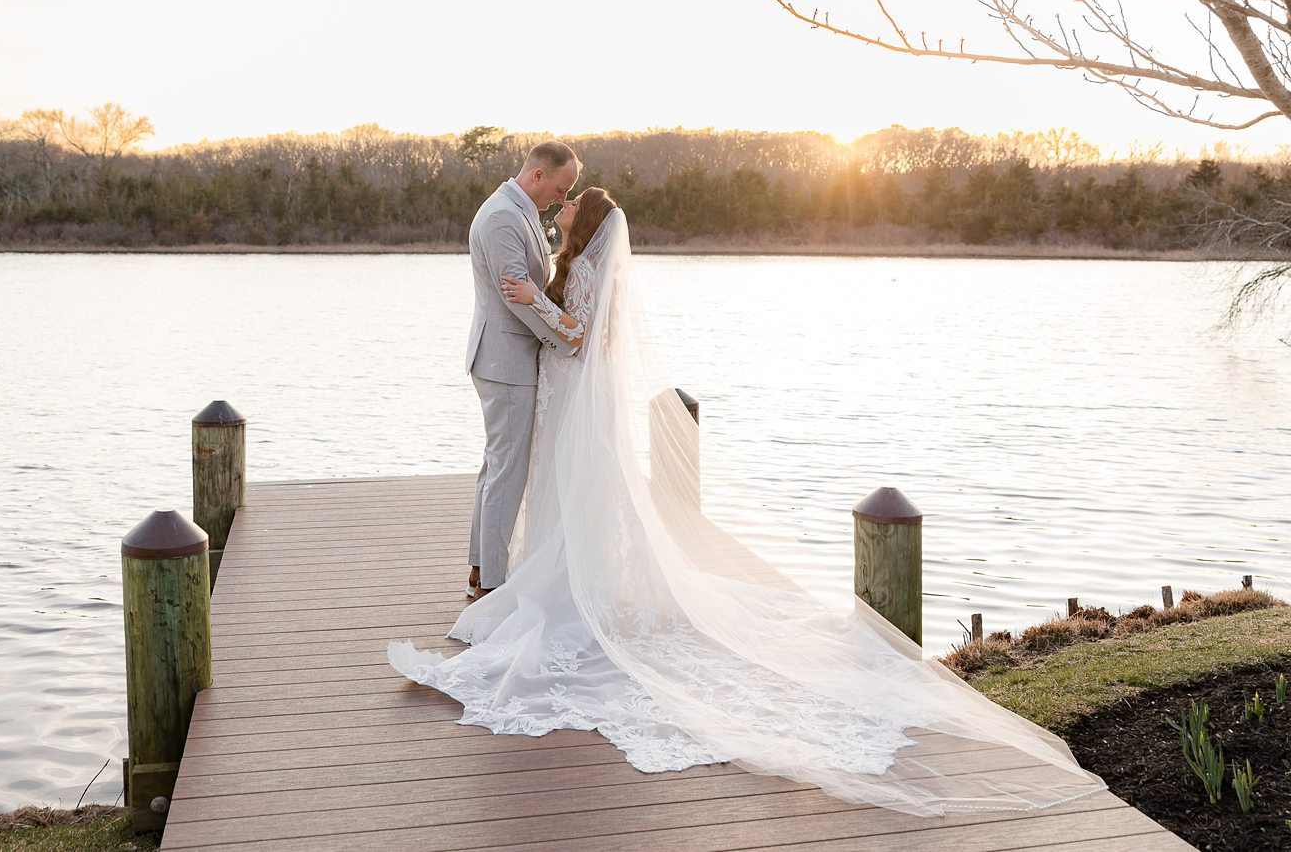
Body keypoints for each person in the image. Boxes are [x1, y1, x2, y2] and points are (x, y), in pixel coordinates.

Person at [389, 190, 1108, 816]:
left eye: (574, 203)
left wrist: (533, 300)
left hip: (574, 394)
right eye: (565, 199)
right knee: (572, 497)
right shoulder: (574, 259)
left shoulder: (581, 271)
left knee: (575, 497)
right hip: (570, 395)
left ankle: (569, 588)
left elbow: (574, 331)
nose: (564, 208)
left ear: (589, 221)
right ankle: (572, 577)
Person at [462, 140, 581, 601]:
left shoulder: (523, 210)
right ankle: (492, 584)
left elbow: (533, 285)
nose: (562, 195)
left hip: (507, 358)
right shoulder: (501, 218)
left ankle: (479, 567)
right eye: (560, 186)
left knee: (497, 465)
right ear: (538, 176)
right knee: (506, 472)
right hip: (505, 359)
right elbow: (519, 297)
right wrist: (564, 340)